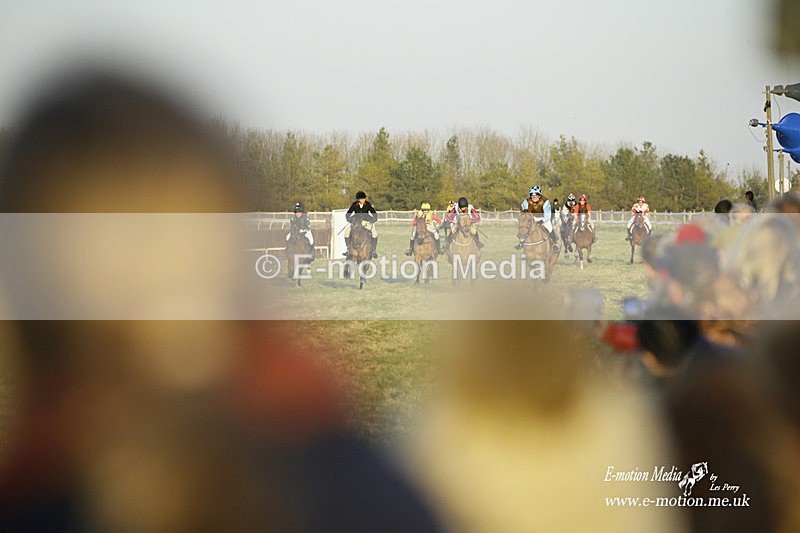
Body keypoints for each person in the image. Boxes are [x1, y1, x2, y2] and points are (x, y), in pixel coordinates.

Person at [519, 186, 559, 252]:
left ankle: (554, 244)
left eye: (536, 195)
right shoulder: (526, 201)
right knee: (524, 228)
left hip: (543, 218)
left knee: (550, 228)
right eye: (532, 195)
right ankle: (521, 242)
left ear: (539, 196)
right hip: (531, 218)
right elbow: (524, 210)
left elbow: (547, 214)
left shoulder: (545, 201)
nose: (534, 197)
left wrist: (542, 220)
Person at [344, 190, 378, 258]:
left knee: (374, 233)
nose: (362, 200)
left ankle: (373, 250)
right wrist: (352, 220)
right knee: (346, 232)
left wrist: (369, 221)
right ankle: (348, 249)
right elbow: (348, 215)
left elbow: (375, 215)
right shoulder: (354, 205)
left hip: (365, 222)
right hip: (356, 223)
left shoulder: (368, 204)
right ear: (358, 199)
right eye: (361, 199)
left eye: (363, 199)